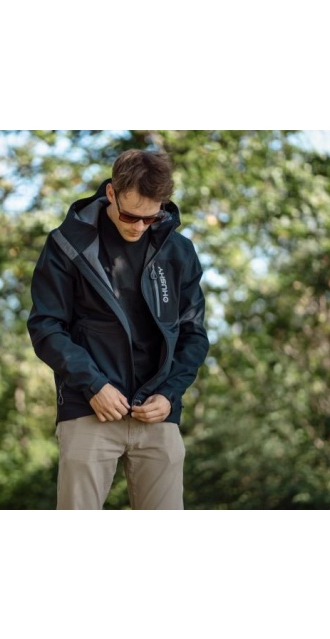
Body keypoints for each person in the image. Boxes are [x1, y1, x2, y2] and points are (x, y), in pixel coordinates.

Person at [27, 149, 209, 509]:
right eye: (130, 215)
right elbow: (46, 326)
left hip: (158, 413)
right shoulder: (67, 244)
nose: (139, 226)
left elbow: (194, 335)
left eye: (151, 218)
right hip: (89, 407)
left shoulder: (179, 252)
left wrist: (169, 394)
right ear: (111, 193)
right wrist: (93, 384)